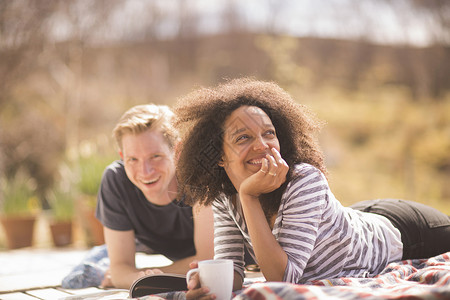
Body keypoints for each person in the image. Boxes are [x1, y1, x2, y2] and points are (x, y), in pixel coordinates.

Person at [173, 78, 450, 298]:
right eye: (243, 137)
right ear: (219, 156)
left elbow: (283, 279)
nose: (262, 145)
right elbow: (232, 269)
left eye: (269, 133)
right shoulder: (225, 196)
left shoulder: (303, 179)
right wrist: (205, 283)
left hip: (409, 232)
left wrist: (249, 196)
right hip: (351, 222)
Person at [62, 104, 214, 289]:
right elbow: (119, 270)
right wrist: (132, 276)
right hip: (151, 247)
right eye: (132, 159)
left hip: (243, 257)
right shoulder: (116, 180)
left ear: (177, 151)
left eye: (156, 156)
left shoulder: (199, 177)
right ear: (122, 156)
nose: (145, 171)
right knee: (77, 279)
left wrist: (145, 276)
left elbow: (208, 261)